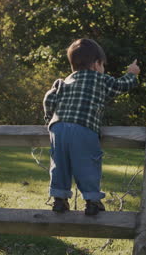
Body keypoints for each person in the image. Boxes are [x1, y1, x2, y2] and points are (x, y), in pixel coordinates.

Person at [43, 38, 140, 215]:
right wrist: (132, 73)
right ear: (96, 64)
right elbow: (122, 85)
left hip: (59, 128)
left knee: (59, 164)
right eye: (103, 65)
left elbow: (49, 98)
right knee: (87, 164)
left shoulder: (62, 83)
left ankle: (59, 199)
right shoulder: (101, 80)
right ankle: (92, 201)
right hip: (83, 127)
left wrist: (49, 119)